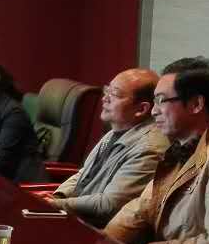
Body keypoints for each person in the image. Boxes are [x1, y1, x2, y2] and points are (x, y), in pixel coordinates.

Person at [105, 56, 209, 244]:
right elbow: (141, 208)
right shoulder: (179, 148)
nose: (154, 111)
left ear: (196, 104)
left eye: (161, 100)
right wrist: (103, 243)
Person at [48, 68, 169, 226]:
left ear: (141, 109)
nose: (105, 98)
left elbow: (109, 205)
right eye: (107, 90)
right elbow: (84, 174)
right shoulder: (115, 131)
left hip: (98, 230)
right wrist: (58, 196)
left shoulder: (149, 148)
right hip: (76, 216)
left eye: (115, 94)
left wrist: (57, 204)